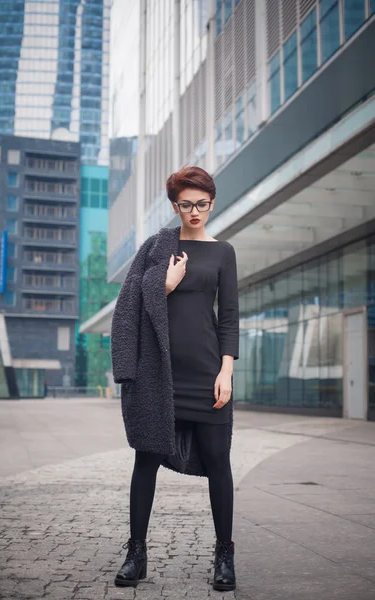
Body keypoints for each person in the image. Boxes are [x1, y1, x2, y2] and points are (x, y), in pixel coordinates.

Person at [111, 166, 239, 592]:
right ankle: (136, 553)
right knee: (145, 460)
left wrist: (227, 370)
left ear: (212, 203)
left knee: (219, 462)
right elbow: (128, 300)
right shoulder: (157, 249)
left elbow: (229, 318)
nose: (194, 211)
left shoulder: (223, 253)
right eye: (186, 204)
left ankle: (224, 555)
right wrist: (163, 285)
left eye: (202, 203)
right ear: (174, 206)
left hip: (206, 375)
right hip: (158, 374)